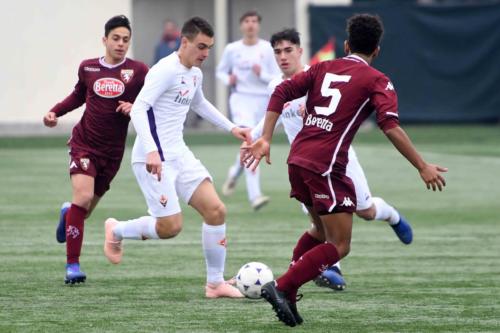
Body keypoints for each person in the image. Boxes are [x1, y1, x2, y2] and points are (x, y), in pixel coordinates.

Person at [242, 14, 447, 326]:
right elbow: (389, 127)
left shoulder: (323, 67)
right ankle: (284, 287)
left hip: (298, 160)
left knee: (319, 231)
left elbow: (280, 92)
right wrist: (422, 165)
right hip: (326, 165)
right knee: (340, 244)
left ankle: (290, 293)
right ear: (377, 50)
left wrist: (266, 138)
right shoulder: (377, 80)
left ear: (347, 44)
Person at [247, 28, 414, 292]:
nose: (283, 57)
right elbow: (274, 113)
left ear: (301, 51)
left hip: (339, 160)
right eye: (277, 52)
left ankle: (391, 216)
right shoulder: (275, 86)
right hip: (305, 162)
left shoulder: (321, 74)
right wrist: (254, 136)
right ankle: (319, 272)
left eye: (288, 50)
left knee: (366, 211)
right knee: (322, 224)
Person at [103, 17, 250, 298]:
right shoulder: (165, 70)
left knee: (216, 210)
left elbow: (200, 103)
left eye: (209, 47)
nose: (205, 53)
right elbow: (139, 109)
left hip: (178, 153)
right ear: (184, 42)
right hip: (152, 157)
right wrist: (151, 150)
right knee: (171, 227)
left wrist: (232, 127)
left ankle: (215, 284)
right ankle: (117, 230)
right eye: (201, 46)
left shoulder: (194, 73)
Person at [43, 15, 148, 284]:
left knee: (84, 210)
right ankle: (72, 266)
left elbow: (149, 102)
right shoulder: (88, 68)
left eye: (126, 39)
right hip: (84, 144)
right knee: (84, 197)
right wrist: (55, 111)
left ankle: (68, 212)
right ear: (105, 40)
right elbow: (78, 95)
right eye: (116, 38)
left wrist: (134, 107)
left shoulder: (138, 71)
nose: (121, 44)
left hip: (112, 153)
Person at [216, 10, 280, 210]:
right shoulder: (232, 49)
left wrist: (262, 75)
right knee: (250, 141)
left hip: (262, 101)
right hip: (241, 100)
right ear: (241, 25)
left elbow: (276, 77)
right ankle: (255, 196)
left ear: (258, 25)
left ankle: (234, 172)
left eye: (254, 21)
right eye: (247, 21)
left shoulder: (267, 49)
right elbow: (220, 71)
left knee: (252, 144)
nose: (251, 25)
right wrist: (229, 79)